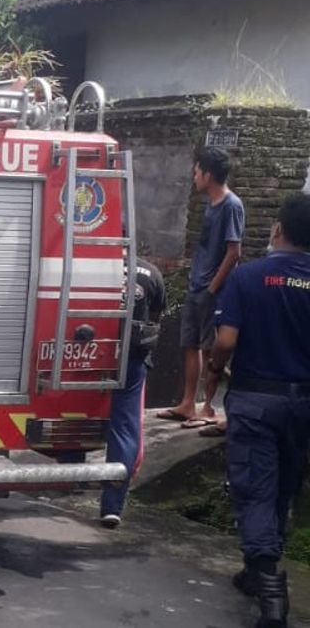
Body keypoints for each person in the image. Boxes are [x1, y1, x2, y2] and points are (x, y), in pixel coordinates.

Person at [207, 194, 310, 628]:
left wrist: (214, 367)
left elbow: (226, 341)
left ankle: (269, 589)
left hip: (254, 401)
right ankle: (256, 572)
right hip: (303, 404)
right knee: (284, 487)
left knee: (254, 491)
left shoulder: (248, 278)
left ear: (277, 230)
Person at [157, 147, 244, 427]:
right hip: (197, 286)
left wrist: (212, 287)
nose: (194, 177)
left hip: (211, 289)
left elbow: (234, 252)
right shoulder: (211, 204)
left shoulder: (231, 205)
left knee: (209, 348)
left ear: (208, 174)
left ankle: (207, 407)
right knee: (189, 345)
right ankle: (187, 403)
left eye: (197, 172)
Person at [100, 258, 165, 529]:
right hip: (132, 358)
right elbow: (157, 316)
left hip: (88, 350)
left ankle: (72, 474)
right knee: (125, 430)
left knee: (74, 412)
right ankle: (112, 506)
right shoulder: (151, 273)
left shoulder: (92, 264)